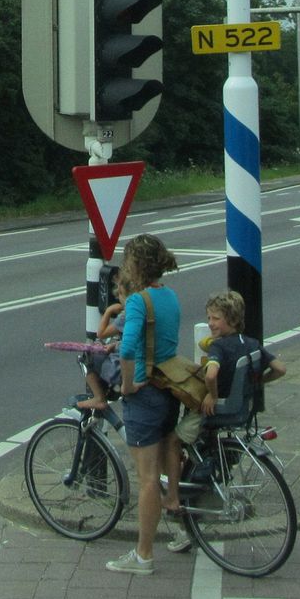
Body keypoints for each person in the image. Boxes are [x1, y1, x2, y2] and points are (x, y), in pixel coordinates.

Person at [164, 289, 286, 553]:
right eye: (209, 318)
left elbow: (211, 374)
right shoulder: (251, 344)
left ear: (230, 319)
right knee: (197, 451)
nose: (210, 323)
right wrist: (258, 384)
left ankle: (173, 496)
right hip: (241, 410)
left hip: (218, 410)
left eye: (215, 318)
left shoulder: (220, 346)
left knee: (173, 441)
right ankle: (194, 500)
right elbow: (280, 368)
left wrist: (211, 395)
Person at [105, 234, 180, 576]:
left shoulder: (137, 302)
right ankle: (180, 526)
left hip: (145, 393)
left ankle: (143, 555)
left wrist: (126, 385)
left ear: (135, 264)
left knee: (147, 477)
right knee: (166, 463)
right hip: (168, 388)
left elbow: (128, 347)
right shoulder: (169, 296)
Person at [77, 283, 127, 410]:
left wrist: (109, 311)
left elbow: (101, 332)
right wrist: (115, 345)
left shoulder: (127, 316)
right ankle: (109, 390)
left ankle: (99, 397)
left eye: (120, 294)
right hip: (138, 361)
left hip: (122, 366)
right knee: (103, 351)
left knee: (88, 355)